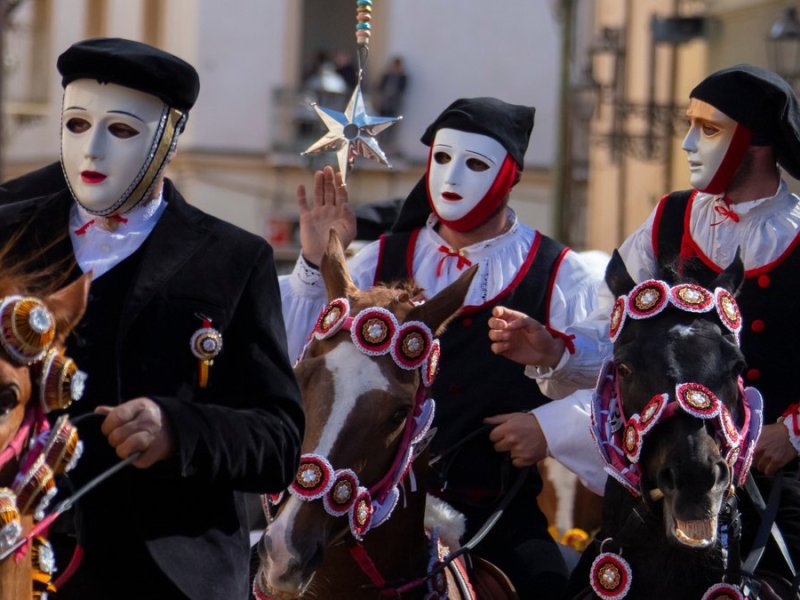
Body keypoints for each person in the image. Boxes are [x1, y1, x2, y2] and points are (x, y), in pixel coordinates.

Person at [0, 37, 303, 599]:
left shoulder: (233, 258)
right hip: (17, 557)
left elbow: (279, 441)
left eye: (120, 130)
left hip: (168, 572)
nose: (91, 150)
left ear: (168, 137)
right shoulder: (8, 236)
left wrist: (179, 429)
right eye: (74, 124)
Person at [279, 97, 606, 598]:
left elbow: (615, 387)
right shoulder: (375, 261)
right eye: (443, 158)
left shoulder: (559, 272)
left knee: (550, 588)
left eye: (476, 164)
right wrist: (315, 261)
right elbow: (304, 362)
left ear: (510, 176)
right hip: (362, 510)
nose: (453, 176)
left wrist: (548, 425)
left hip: (493, 515)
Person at [489, 64, 800, 583]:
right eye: (690, 124)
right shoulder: (672, 218)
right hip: (664, 464)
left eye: (709, 128)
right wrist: (555, 350)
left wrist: (792, 432)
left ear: (758, 143)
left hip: (775, 473)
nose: (687, 143)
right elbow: (614, 324)